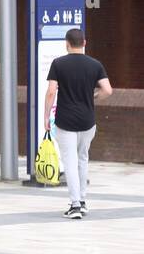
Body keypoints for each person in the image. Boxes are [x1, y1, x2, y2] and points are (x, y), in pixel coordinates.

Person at [43, 27, 111, 220]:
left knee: (70, 162)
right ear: (84, 43)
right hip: (88, 121)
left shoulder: (58, 64)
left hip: (66, 121)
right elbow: (107, 90)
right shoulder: (95, 64)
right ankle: (82, 201)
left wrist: (46, 116)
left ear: (67, 44)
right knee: (82, 159)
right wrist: (93, 96)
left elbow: (51, 92)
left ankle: (74, 206)